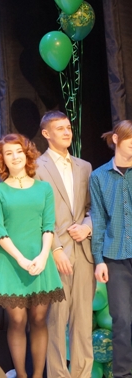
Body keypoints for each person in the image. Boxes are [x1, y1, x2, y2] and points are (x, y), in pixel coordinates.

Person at [0, 133, 65, 378]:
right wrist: (20, 259)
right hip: (11, 262)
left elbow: (48, 225)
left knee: (39, 320)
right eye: (8, 153)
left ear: (27, 154)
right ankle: (21, 375)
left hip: (41, 259)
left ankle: (38, 375)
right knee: (17, 321)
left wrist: (43, 256)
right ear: (2, 159)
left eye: (18, 151)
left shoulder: (44, 188)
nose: (15, 157)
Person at [35, 112, 93, 378]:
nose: (67, 132)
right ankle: (58, 375)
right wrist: (56, 249)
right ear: (46, 134)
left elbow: (93, 208)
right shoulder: (37, 167)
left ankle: (83, 374)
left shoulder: (84, 166)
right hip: (54, 254)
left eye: (68, 127)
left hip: (84, 251)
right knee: (56, 322)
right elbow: (38, 214)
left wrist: (87, 227)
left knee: (83, 322)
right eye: (60, 128)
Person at [91, 120, 132, 378]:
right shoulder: (99, 176)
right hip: (115, 256)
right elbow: (97, 219)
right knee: (122, 320)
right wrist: (98, 260)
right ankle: (123, 374)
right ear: (116, 139)